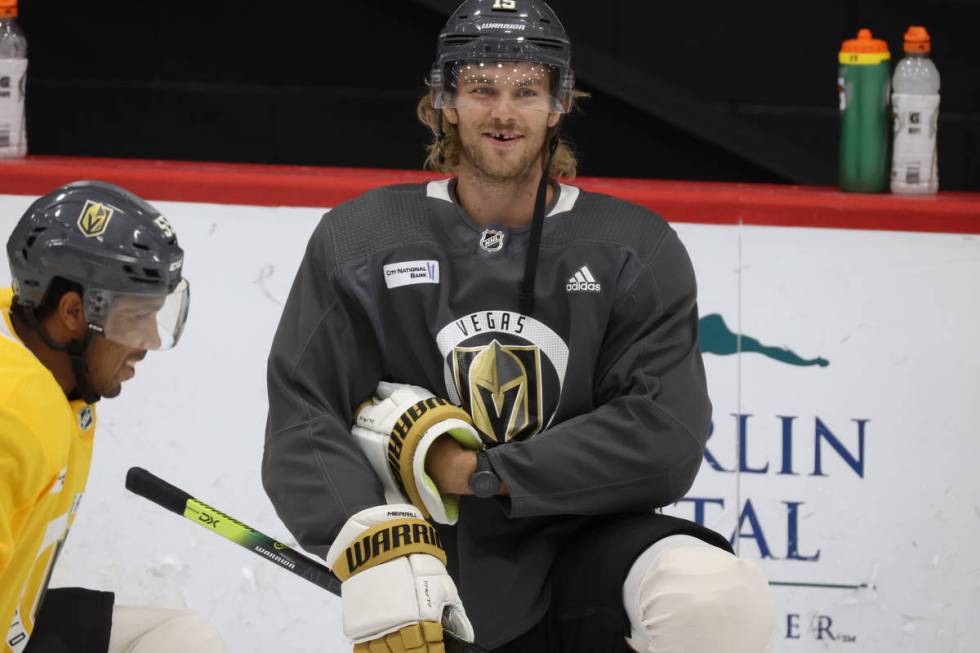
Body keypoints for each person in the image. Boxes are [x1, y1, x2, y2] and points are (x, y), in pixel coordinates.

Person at [263, 1, 776, 651]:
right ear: (445, 97)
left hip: (584, 549)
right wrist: (371, 543)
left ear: (560, 102)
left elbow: (666, 434)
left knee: (712, 596)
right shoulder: (362, 239)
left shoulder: (631, 247)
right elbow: (304, 414)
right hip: (430, 562)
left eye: (525, 91)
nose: (503, 112)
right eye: (481, 88)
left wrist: (476, 472)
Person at [1, 181, 225, 653]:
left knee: (181, 641)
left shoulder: (50, 370)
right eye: (137, 318)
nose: (150, 343)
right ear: (72, 312)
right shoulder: (13, 412)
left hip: (15, 619)